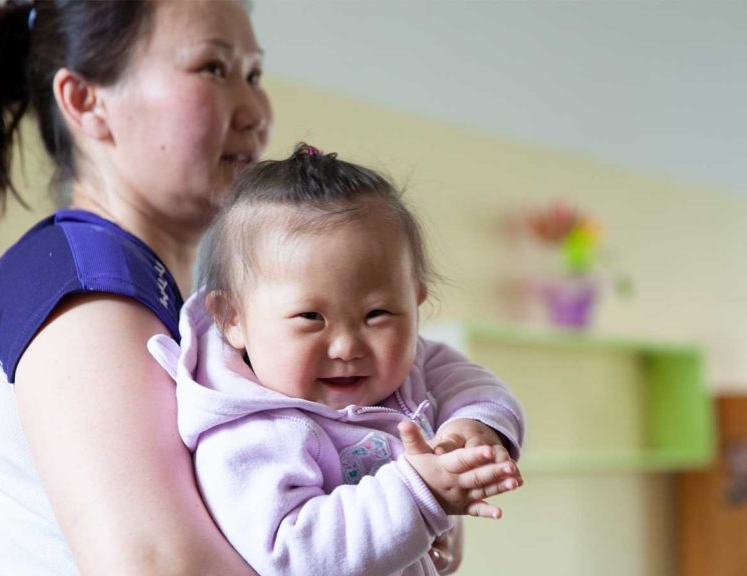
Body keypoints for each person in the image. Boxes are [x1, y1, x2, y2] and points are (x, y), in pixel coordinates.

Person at [0, 1, 508, 573]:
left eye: (254, 74)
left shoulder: (171, 299)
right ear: (87, 101)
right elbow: (164, 566)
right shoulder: (82, 281)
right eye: (214, 68)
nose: (258, 109)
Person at [147, 144, 526, 576]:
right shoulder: (248, 434)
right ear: (233, 318)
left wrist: (473, 428)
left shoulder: (414, 361)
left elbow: (475, 386)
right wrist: (421, 496)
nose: (346, 346)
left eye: (377, 314)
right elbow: (293, 553)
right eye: (311, 317)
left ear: (416, 302)